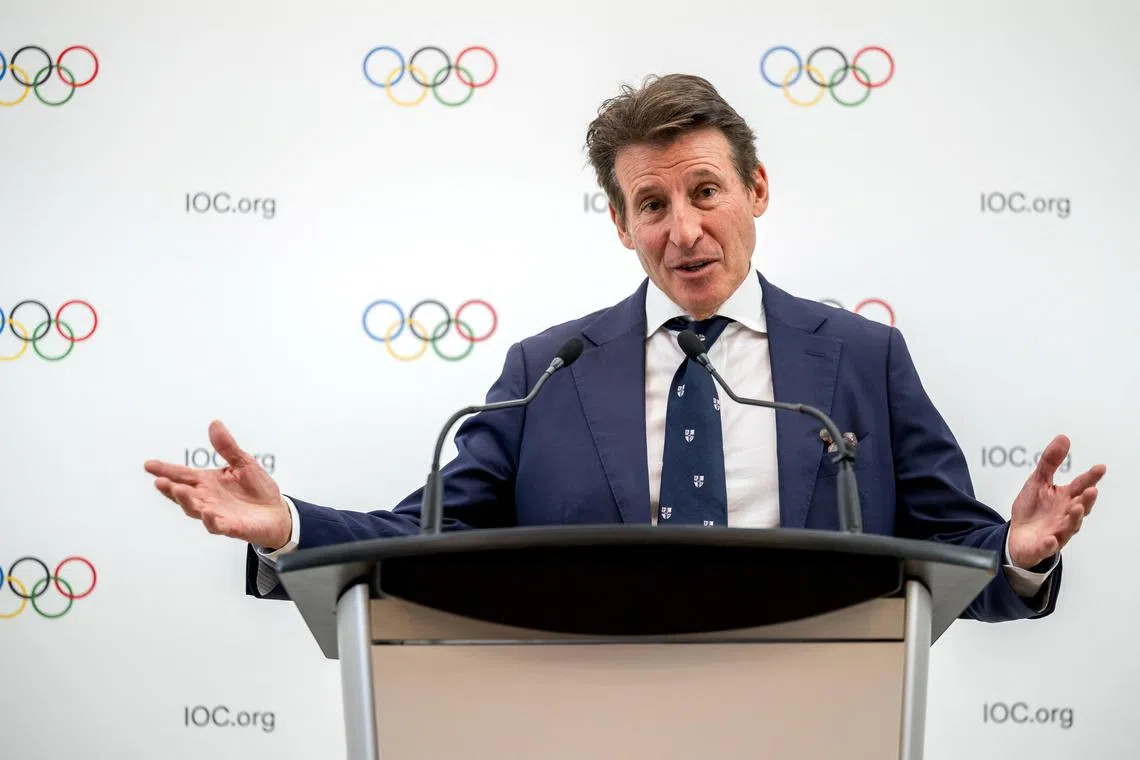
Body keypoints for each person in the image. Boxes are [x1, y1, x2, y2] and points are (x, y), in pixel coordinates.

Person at [144, 74, 1105, 621]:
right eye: (652, 205)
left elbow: (947, 546)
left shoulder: (861, 359)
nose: (682, 229)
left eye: (704, 192)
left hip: (821, 701)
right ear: (620, 222)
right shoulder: (543, 373)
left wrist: (1017, 553)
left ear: (756, 190)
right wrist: (290, 529)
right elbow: (435, 538)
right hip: (590, 708)